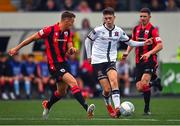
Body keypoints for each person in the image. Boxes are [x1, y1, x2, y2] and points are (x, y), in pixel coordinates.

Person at [8, 11, 95, 119]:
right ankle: (87, 108)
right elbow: (31, 38)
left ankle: (47, 105)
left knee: (61, 92)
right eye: (72, 22)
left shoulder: (68, 32)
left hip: (64, 63)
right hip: (54, 64)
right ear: (66, 20)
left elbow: (69, 46)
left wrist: (72, 49)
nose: (72, 24)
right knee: (73, 82)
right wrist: (16, 48)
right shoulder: (49, 30)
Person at [85, 7, 153, 118]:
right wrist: (89, 56)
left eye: (110, 18)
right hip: (97, 62)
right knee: (106, 90)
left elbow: (130, 42)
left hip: (111, 61)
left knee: (114, 82)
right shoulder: (97, 30)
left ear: (114, 18)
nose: (108, 20)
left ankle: (117, 109)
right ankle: (109, 106)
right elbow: (87, 40)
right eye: (106, 18)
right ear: (104, 18)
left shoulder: (119, 31)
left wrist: (144, 43)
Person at [122, 8, 163, 115]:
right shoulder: (136, 29)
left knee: (144, 83)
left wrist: (149, 53)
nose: (142, 18)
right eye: (141, 16)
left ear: (149, 17)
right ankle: (155, 83)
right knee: (140, 87)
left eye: (144, 16)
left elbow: (160, 45)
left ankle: (146, 108)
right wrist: (127, 52)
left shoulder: (153, 30)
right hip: (138, 62)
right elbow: (132, 43)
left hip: (150, 60)